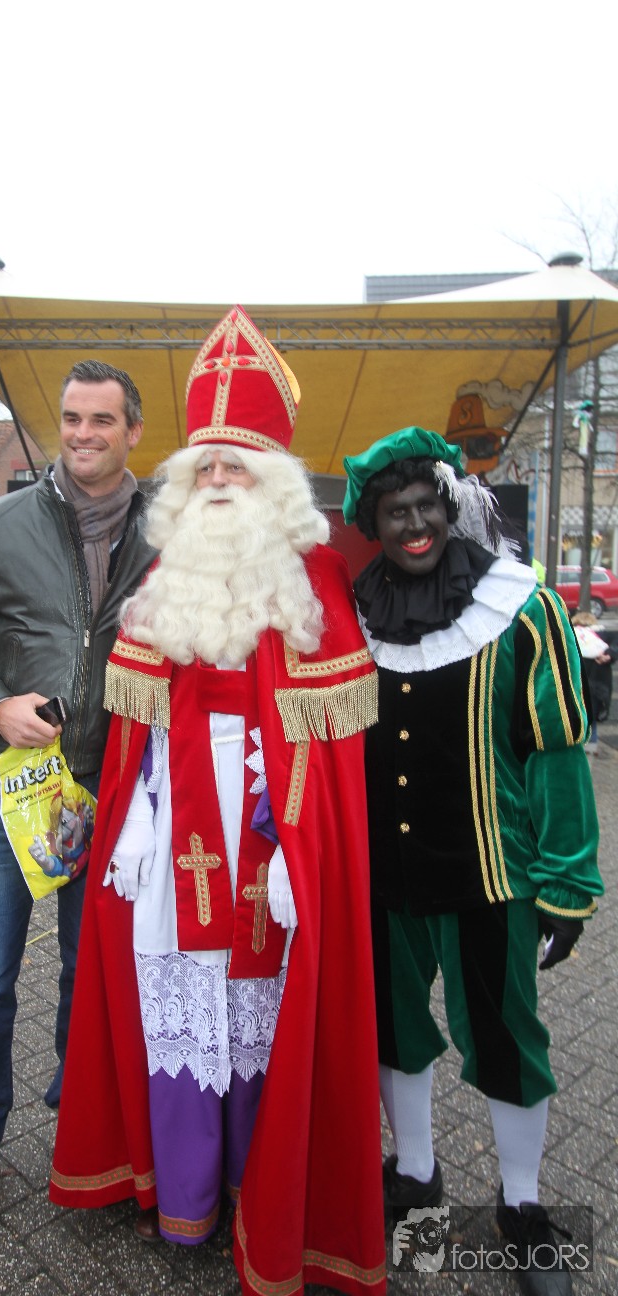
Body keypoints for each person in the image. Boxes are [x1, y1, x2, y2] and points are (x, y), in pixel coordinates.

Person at [50, 309, 386, 1296]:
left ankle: (262, 1191)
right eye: (208, 465)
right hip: (175, 833)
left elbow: (324, 747)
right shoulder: (169, 572)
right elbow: (144, 728)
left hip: (270, 838)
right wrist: (136, 822)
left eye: (241, 465)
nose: (222, 480)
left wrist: (293, 846)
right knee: (181, 1011)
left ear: (275, 480)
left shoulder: (317, 576)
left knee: (266, 1018)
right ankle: (183, 1191)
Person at [342, 428, 604, 1296]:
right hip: (385, 875)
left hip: (494, 873)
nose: (415, 524)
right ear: (373, 523)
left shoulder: (522, 606)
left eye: (427, 506)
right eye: (395, 511)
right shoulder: (354, 612)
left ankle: (523, 1211)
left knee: (505, 1037)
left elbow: (558, 750)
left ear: (450, 508)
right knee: (394, 1030)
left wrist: (568, 884)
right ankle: (416, 1176)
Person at [0, 359, 154, 1245]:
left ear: (133, 431)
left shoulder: (169, 531)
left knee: (95, 978)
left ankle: (86, 1141)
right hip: (10, 789)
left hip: (116, 793)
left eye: (102, 420)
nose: (82, 434)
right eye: (72, 418)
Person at [570, 610, 611, 755]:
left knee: (578, 713)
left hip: (578, 683)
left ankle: (579, 744)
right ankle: (591, 746)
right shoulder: (601, 639)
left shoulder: (573, 635)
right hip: (598, 684)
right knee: (592, 715)